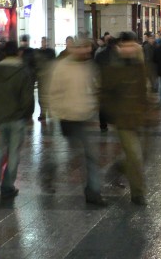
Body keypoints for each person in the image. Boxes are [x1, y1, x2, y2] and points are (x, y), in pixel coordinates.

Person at [47, 37, 107, 206]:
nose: (87, 51)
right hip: (68, 118)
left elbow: (95, 87)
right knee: (72, 155)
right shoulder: (61, 67)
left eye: (88, 48)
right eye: (83, 48)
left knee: (89, 155)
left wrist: (92, 107)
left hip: (84, 117)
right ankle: (49, 172)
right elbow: (54, 93)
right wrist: (59, 113)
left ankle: (93, 191)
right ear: (74, 49)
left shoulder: (89, 66)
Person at [99, 32, 151, 206]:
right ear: (119, 48)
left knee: (141, 155)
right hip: (123, 121)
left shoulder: (140, 65)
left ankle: (119, 167)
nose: (129, 49)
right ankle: (138, 194)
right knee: (135, 156)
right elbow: (104, 94)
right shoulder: (113, 68)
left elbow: (146, 90)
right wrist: (115, 114)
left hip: (140, 118)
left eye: (132, 45)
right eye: (125, 45)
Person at [0, 41, 34, 203]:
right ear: (18, 53)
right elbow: (28, 98)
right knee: (13, 153)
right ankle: (7, 187)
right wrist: (26, 115)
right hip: (17, 119)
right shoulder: (23, 71)